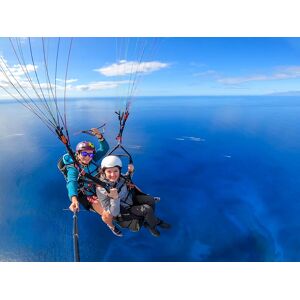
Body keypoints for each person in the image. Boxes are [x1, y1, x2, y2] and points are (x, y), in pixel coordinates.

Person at [63, 128, 122, 237]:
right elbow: (71, 182)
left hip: (101, 187)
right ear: (78, 153)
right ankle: (111, 226)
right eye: (84, 153)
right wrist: (74, 199)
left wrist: (100, 137)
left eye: (90, 154)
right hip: (89, 195)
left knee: (125, 183)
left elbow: (104, 148)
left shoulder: (92, 159)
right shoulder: (73, 169)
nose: (87, 157)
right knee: (108, 215)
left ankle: (142, 197)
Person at [96, 155, 171, 237]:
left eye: (115, 171)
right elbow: (114, 212)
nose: (113, 174)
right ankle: (152, 225)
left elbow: (126, 179)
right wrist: (115, 198)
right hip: (124, 209)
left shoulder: (120, 177)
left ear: (119, 171)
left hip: (130, 199)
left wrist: (131, 171)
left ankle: (150, 220)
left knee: (150, 199)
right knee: (147, 209)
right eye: (109, 171)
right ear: (104, 172)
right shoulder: (101, 189)